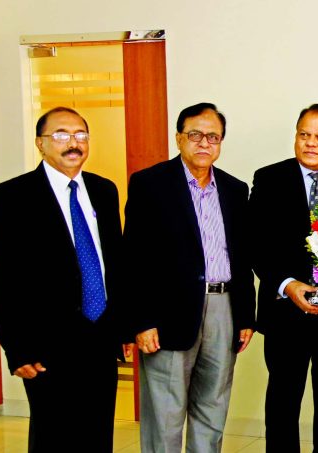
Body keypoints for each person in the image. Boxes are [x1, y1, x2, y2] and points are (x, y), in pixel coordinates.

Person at [0, 107, 126, 451]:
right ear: (41, 143)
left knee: (97, 434)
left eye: (80, 135)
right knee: (54, 435)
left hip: (100, 336)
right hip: (46, 344)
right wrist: (16, 348)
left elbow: (115, 264)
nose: (73, 143)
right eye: (61, 135)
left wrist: (122, 327)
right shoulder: (12, 196)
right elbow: (3, 279)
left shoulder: (104, 191)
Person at [124, 102, 255, 452]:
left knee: (213, 407)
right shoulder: (150, 184)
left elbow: (241, 257)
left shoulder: (233, 188)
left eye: (212, 136)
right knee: (165, 413)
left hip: (223, 308)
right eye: (195, 134)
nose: (203, 143)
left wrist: (244, 315)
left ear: (221, 142)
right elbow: (134, 258)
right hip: (167, 313)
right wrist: (142, 320)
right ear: (179, 137)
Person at [249, 104, 318, 452]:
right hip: (285, 313)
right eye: (304, 135)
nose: (311, 143)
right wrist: (286, 283)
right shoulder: (269, 179)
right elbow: (255, 243)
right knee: (282, 403)